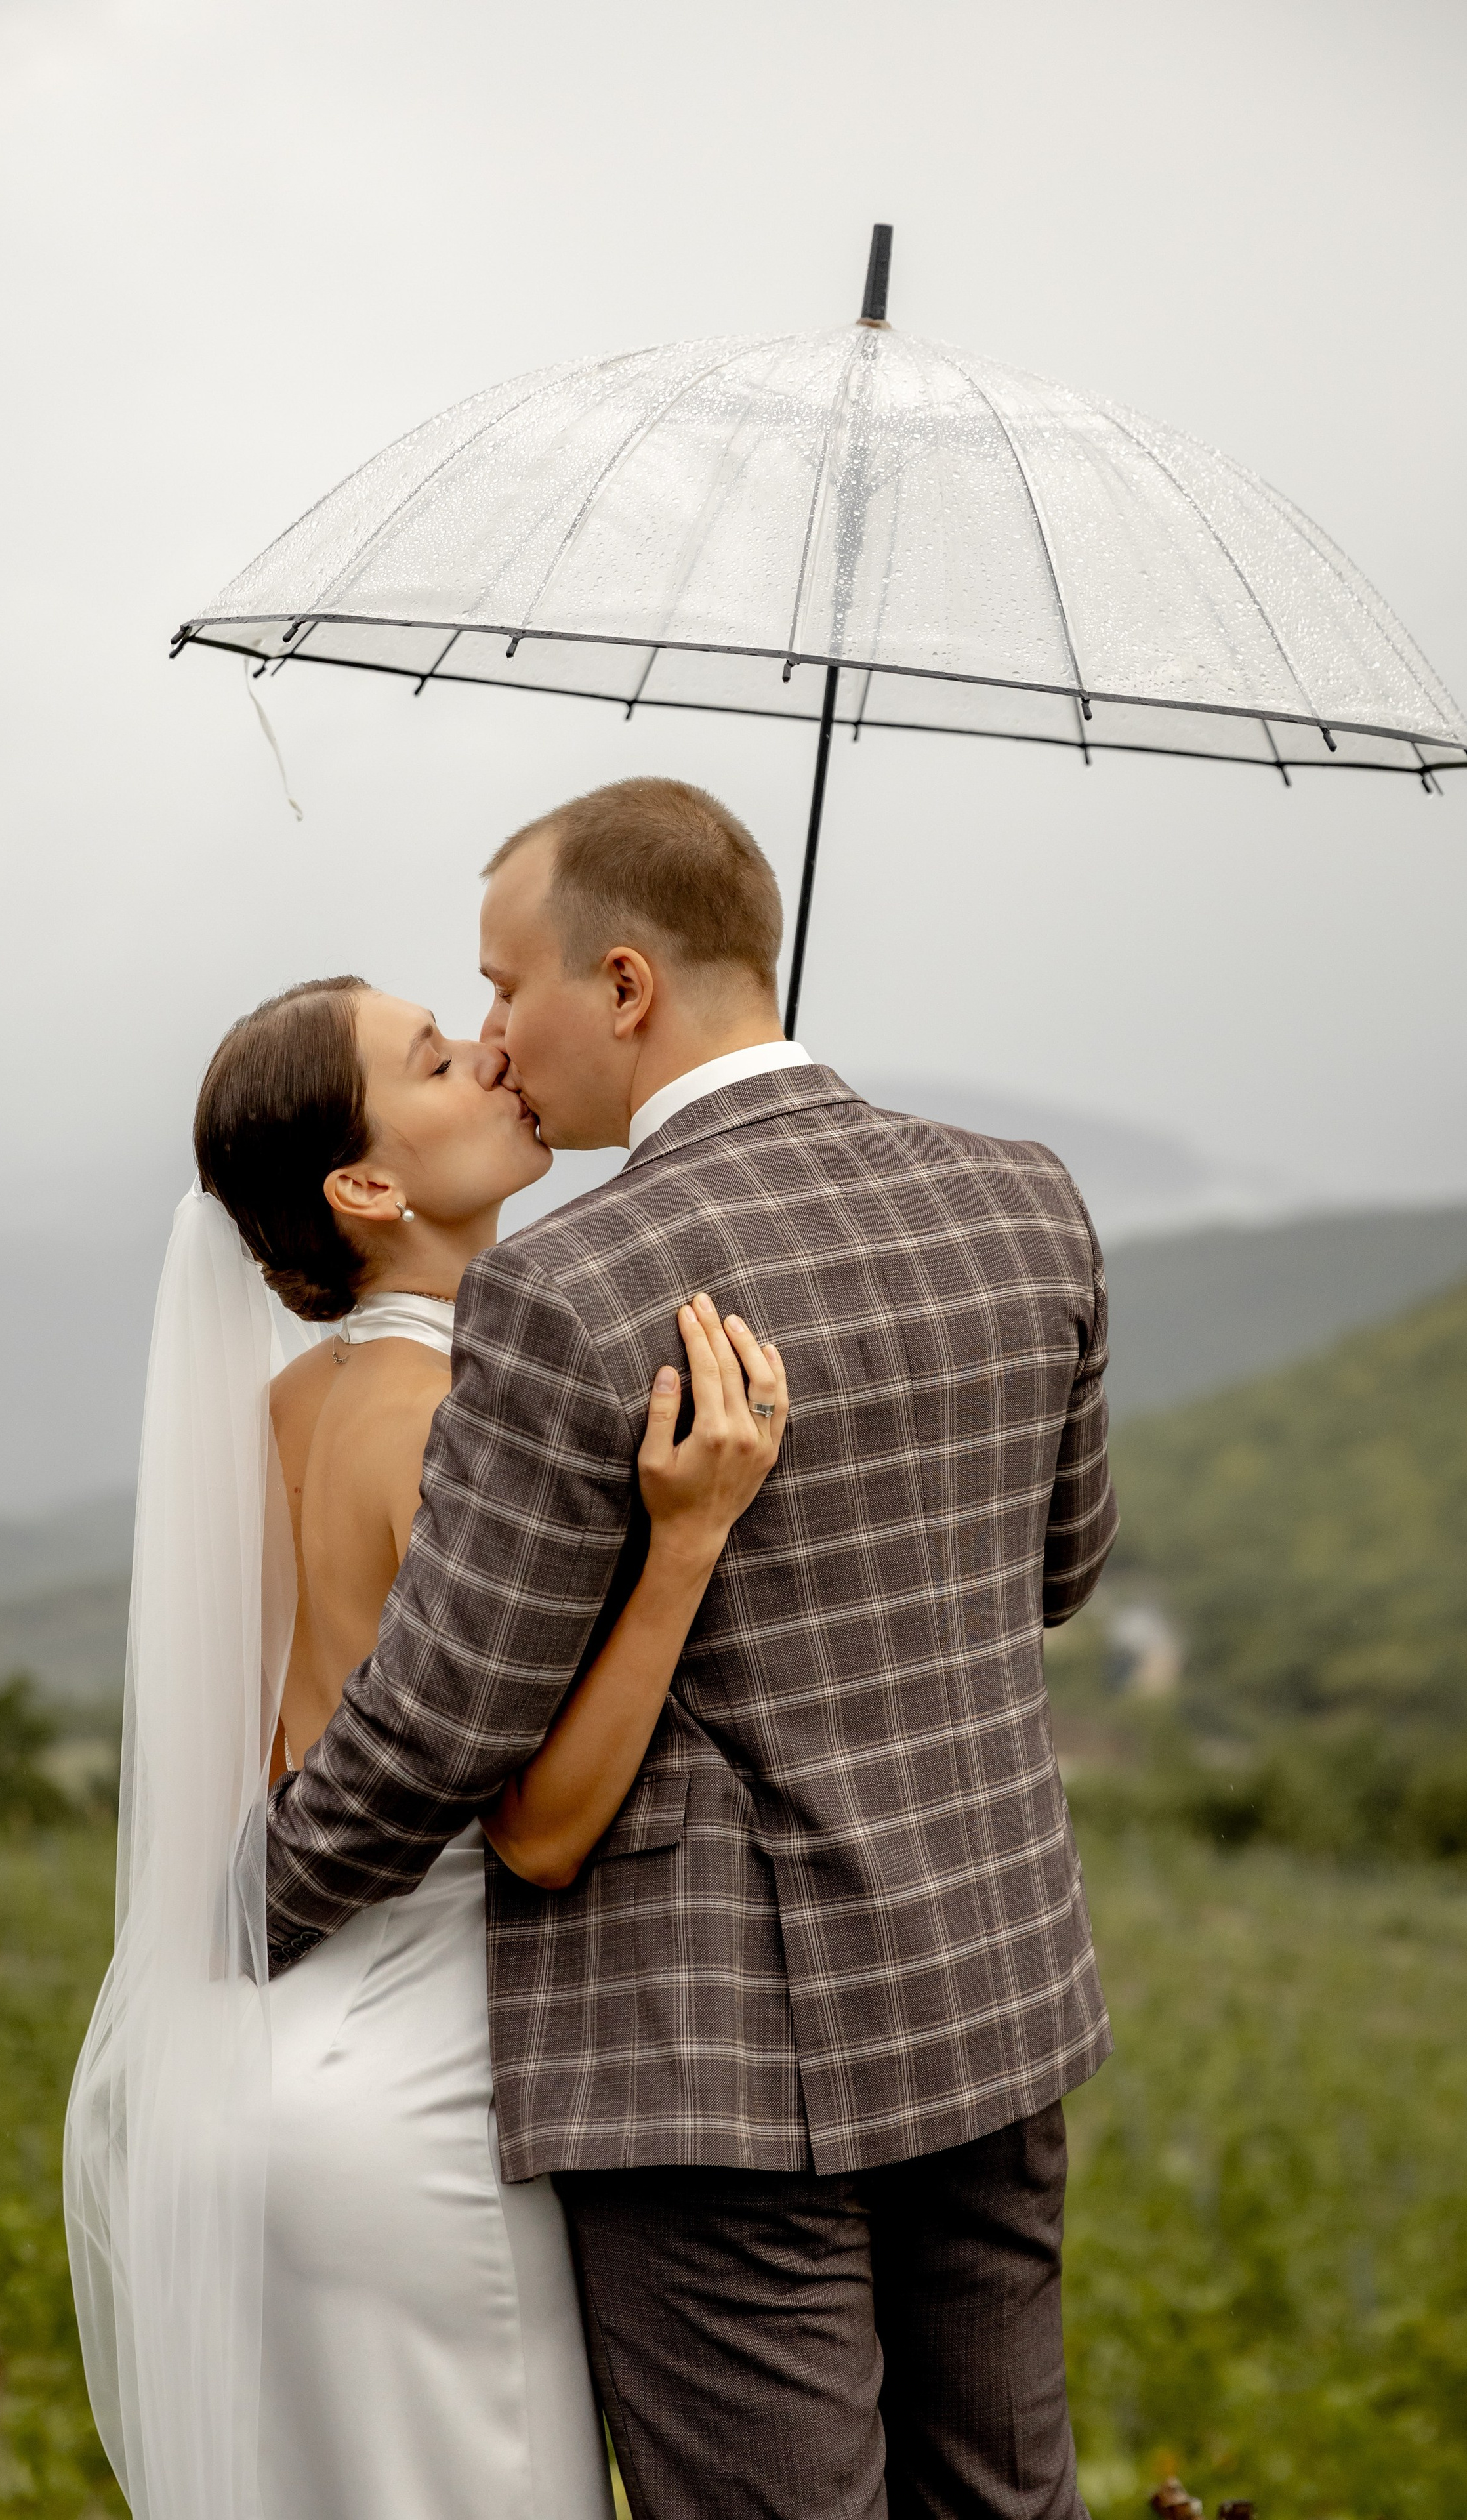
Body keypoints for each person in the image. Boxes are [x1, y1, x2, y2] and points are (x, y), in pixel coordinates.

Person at [266, 775, 1120, 2520]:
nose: (496, 1034)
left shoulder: (574, 1290)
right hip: (998, 1992)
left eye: (508, 986)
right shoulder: (1028, 1202)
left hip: (722, 2067)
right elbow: (1059, 1568)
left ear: (629, 987)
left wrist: (245, 1912)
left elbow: (439, 1727)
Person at [64, 971, 789, 2520]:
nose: (496, 1055)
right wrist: (684, 1540)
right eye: (438, 1058)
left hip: (244, 2085)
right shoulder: (465, 1418)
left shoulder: (276, 1410)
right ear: (369, 1187)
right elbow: (540, 1823)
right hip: (422, 2111)